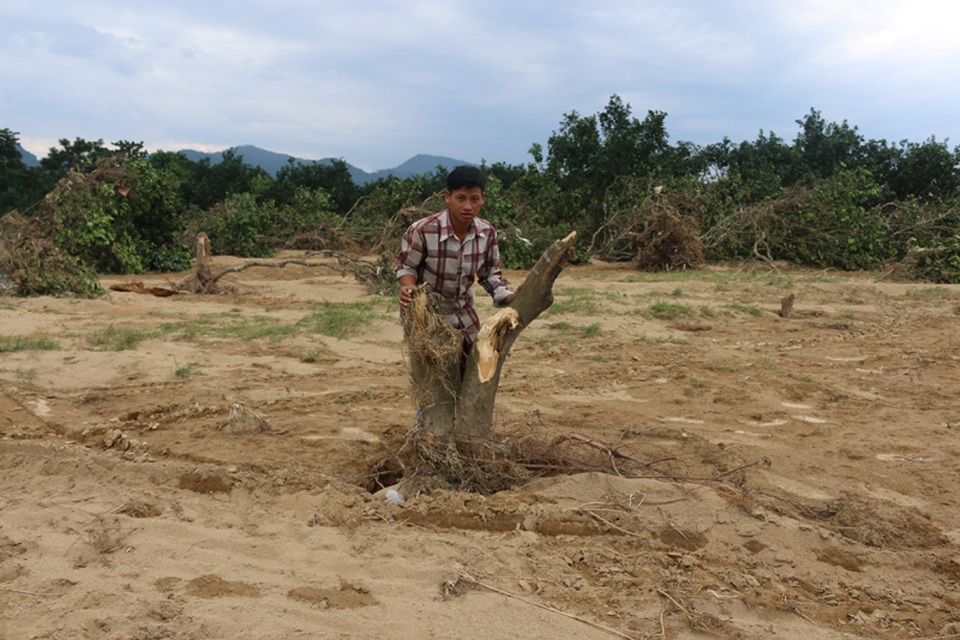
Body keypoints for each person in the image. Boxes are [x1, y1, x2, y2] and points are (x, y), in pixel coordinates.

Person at [396, 165, 519, 353]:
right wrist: (408, 287)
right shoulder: (422, 230)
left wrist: (508, 297)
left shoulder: (487, 233)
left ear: (483, 198)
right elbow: (407, 266)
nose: (468, 206)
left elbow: (490, 275)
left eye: (474, 199)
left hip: (465, 314)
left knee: (475, 361)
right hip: (428, 316)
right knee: (433, 366)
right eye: (461, 198)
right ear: (448, 196)